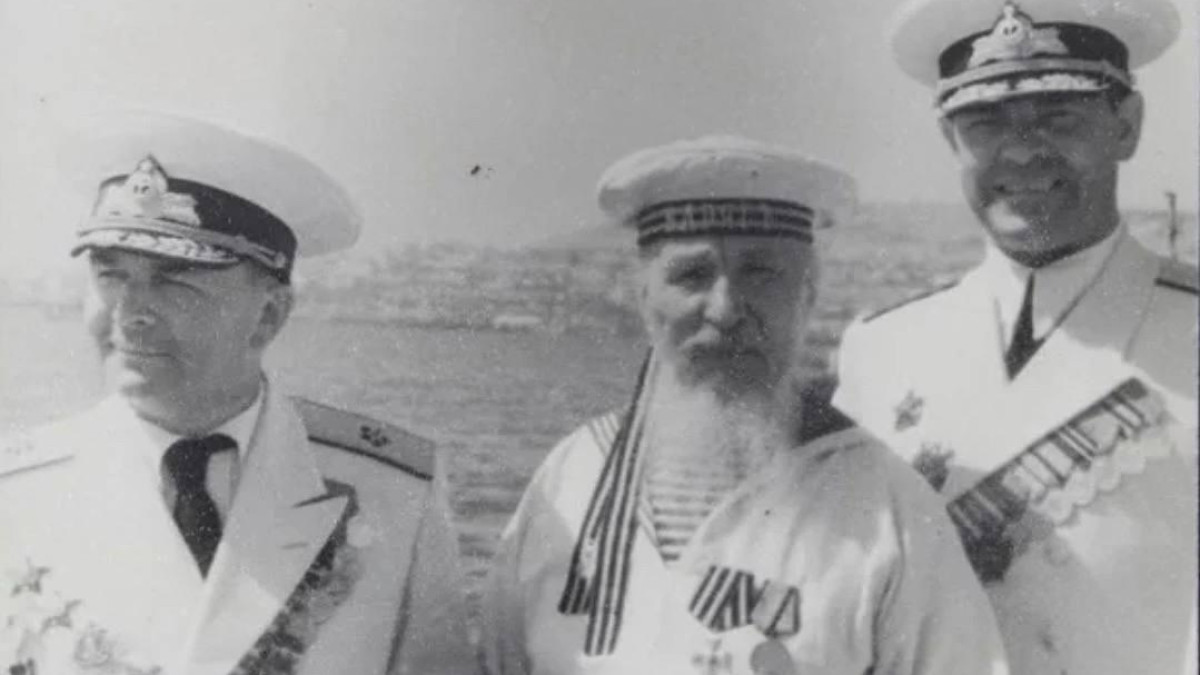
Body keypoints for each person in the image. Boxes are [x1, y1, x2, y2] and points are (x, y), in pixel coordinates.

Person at [482, 136, 1009, 675]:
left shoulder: (887, 509)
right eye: (691, 275)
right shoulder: (569, 481)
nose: (726, 308)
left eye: (761, 273)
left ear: (808, 295)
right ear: (644, 298)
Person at [0, 112, 478, 675]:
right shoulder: (17, 490)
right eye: (111, 275)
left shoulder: (395, 497)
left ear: (268, 315)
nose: (130, 312)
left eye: (174, 279)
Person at [833, 1, 1198, 673]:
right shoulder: (881, 351)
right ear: (950, 140)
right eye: (985, 123)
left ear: (1126, 125)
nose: (1023, 150)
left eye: (1060, 117)